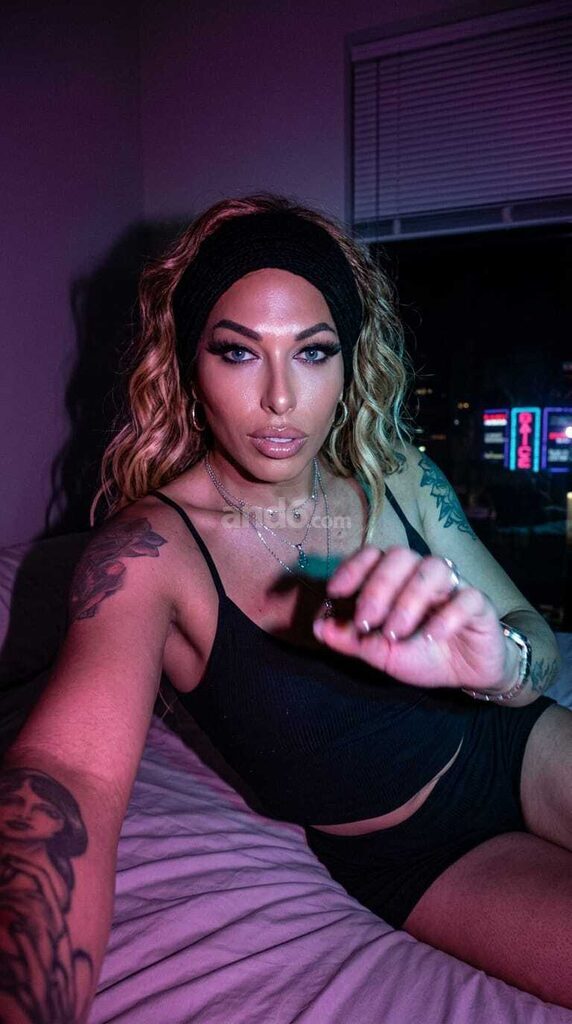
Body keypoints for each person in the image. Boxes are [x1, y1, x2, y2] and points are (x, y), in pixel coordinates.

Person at [1, 193, 571, 1020]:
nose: (278, 397)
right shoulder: (150, 554)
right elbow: (70, 774)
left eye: (313, 352)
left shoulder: (399, 477)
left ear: (347, 365)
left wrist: (497, 665)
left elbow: (536, 649)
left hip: (511, 742)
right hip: (419, 852)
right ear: (190, 365)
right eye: (238, 352)